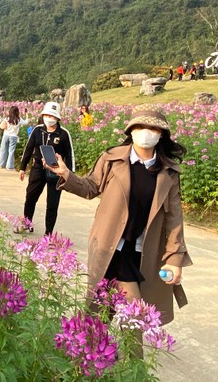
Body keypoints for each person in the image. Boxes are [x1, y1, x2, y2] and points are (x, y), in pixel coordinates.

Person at [45, 104, 191, 328]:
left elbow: (174, 219)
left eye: (152, 128)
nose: (145, 133)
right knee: (131, 312)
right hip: (109, 245)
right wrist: (66, 174)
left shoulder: (168, 172)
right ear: (131, 131)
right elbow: (91, 187)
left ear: (161, 134)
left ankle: (89, 344)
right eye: (140, 127)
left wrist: (174, 259)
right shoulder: (112, 159)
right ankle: (101, 346)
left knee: (103, 310)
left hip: (141, 251)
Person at [18, 102, 74, 235]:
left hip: (55, 171)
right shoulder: (37, 130)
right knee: (30, 197)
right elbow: (28, 149)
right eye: (47, 115)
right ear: (43, 115)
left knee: (52, 204)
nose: (49, 118)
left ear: (58, 118)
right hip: (38, 168)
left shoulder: (63, 134)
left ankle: (48, 233)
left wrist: (69, 175)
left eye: (52, 116)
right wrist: (22, 167)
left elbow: (69, 155)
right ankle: (27, 223)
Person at [0, 106, 28, 171]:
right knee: (11, 151)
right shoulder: (18, 119)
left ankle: (1, 164)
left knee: (3, 150)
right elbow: (26, 122)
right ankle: (9, 166)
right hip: (13, 136)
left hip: (5, 135)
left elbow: (2, 125)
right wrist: (26, 115)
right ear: (17, 112)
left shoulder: (7, 118)